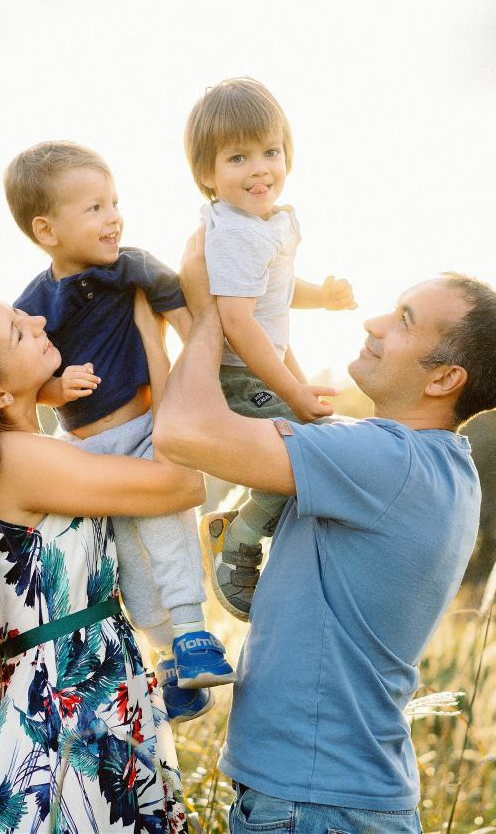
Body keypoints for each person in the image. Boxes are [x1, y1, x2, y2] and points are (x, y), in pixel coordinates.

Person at [153, 232, 496, 832]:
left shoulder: (384, 461)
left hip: (314, 806)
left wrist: (207, 312)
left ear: (444, 379)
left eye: (404, 322)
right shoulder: (433, 466)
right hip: (329, 800)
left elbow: (180, 431)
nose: (375, 323)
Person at [0, 290, 198, 832]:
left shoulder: (8, 454)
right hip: (70, 714)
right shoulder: (20, 461)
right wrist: (153, 338)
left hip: (64, 696)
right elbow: (182, 482)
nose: (36, 320)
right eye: (16, 330)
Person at [5, 140, 234, 719]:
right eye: (95, 209)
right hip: (80, 447)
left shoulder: (132, 267)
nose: (113, 218)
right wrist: (58, 389)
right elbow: (26, 387)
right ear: (46, 229)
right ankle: (171, 660)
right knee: (125, 557)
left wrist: (193, 393)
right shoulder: (33, 304)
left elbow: (189, 325)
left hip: (140, 429)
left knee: (165, 529)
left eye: (115, 203)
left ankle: (191, 629)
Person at [182, 77, 356, 621]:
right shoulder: (235, 231)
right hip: (239, 374)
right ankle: (236, 538)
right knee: (306, 451)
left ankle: (252, 526)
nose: (260, 168)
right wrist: (291, 390)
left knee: (320, 442)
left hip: (266, 363)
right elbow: (237, 322)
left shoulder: (269, 222)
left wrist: (320, 299)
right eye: (238, 157)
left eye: (270, 152)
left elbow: (270, 295)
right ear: (207, 175)